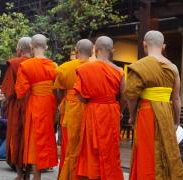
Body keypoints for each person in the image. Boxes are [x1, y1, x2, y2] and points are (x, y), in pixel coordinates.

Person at [124, 31, 183, 180]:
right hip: (166, 113)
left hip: (147, 113)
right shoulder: (173, 68)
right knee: (166, 150)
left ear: (144, 44)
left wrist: (132, 117)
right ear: (163, 46)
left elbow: (131, 96)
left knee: (147, 151)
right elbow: (176, 98)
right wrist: (176, 121)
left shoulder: (139, 66)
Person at [74, 36, 125, 180]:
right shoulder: (119, 71)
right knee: (110, 150)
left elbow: (79, 96)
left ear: (95, 49)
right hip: (111, 112)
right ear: (112, 50)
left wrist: (91, 102)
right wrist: (118, 110)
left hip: (92, 110)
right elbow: (125, 96)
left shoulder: (85, 68)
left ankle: (92, 175)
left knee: (91, 150)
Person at [15, 34, 58, 180]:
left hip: (35, 104)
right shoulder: (54, 65)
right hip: (50, 104)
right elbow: (58, 89)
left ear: (31, 47)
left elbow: (20, 92)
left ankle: (37, 176)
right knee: (46, 138)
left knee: (34, 139)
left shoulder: (26, 65)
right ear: (46, 47)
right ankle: (38, 173)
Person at [55, 39, 93, 180]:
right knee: (84, 147)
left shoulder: (64, 67)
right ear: (92, 52)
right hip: (89, 109)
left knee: (68, 146)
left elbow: (59, 92)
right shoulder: (95, 68)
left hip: (70, 109)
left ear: (76, 51)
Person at [0, 37, 32, 180]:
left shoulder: (13, 63)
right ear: (31, 49)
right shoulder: (38, 63)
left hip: (17, 105)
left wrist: (4, 102)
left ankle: (20, 175)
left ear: (19, 49)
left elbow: (8, 90)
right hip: (34, 104)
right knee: (29, 138)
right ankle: (29, 173)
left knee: (16, 137)